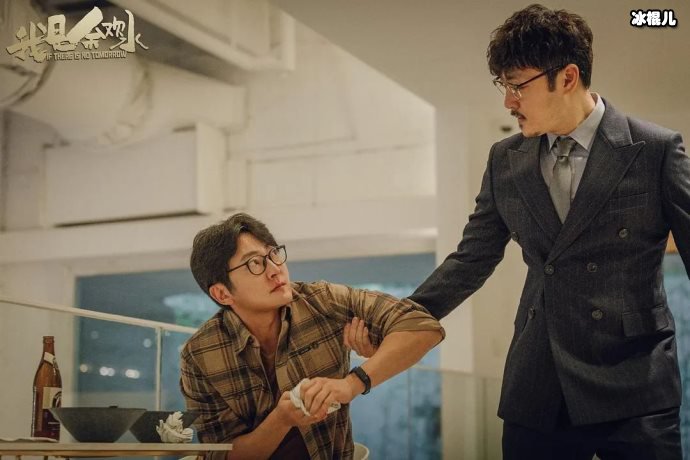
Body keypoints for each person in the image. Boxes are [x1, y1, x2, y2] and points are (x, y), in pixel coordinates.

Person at [402, 4, 689, 459]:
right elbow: (472, 258)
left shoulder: (654, 149)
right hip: (539, 381)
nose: (508, 101)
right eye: (504, 86)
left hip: (635, 381)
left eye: (518, 86)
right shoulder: (505, 159)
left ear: (568, 77)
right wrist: (399, 317)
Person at [179, 213, 444, 460]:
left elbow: (423, 327)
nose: (275, 269)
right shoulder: (199, 354)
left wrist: (352, 384)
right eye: (255, 263)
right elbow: (220, 454)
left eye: (273, 254)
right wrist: (281, 420)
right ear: (222, 293)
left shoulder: (322, 301)